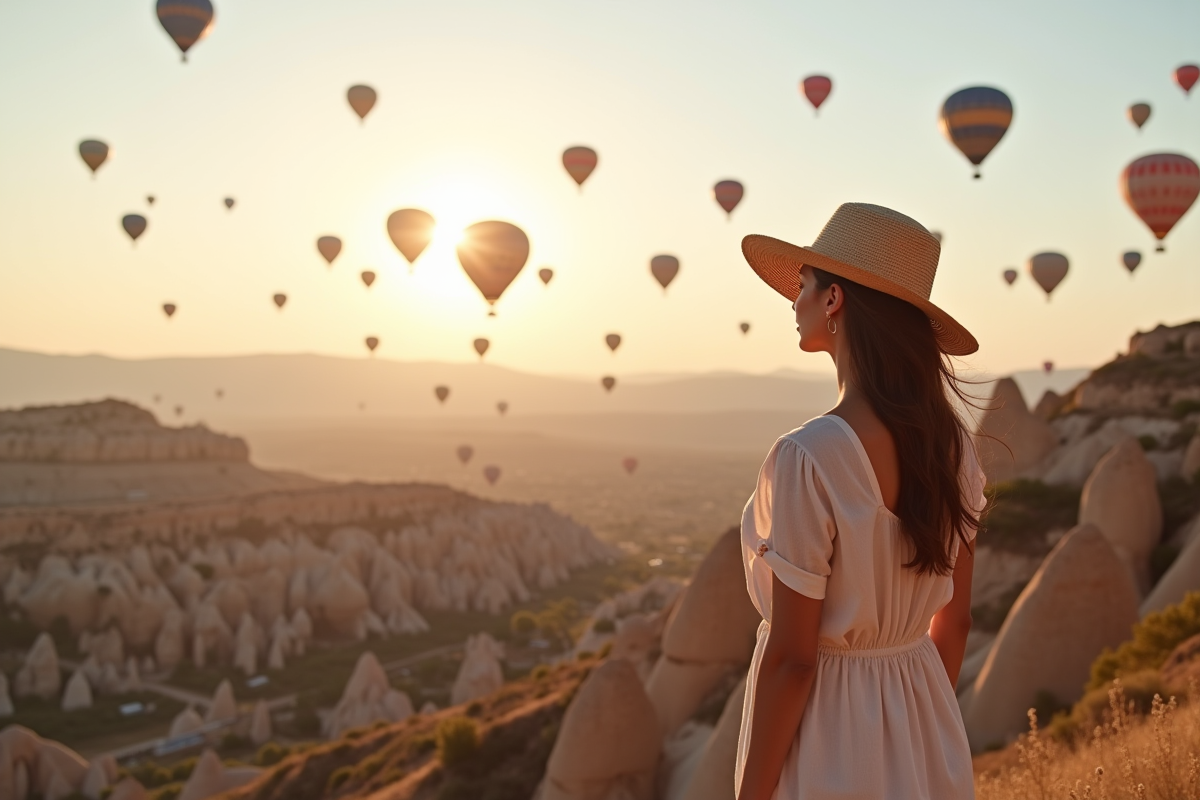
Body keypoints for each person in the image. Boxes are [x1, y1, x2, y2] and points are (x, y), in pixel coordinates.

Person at [735, 203, 984, 800]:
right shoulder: (955, 449)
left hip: (828, 737)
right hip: (924, 728)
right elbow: (955, 621)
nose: (793, 301)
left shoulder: (810, 455)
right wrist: (917, 720)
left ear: (833, 298)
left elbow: (794, 660)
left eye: (803, 285)